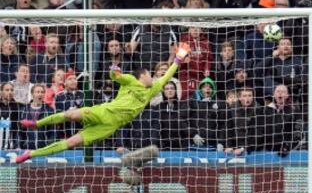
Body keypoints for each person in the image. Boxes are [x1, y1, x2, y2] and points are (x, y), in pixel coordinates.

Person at [15, 43, 191, 163]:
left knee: (72, 142)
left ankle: (30, 154)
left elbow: (168, 75)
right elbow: (116, 76)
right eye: (149, 75)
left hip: (111, 126)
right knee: (71, 114)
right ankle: (37, 123)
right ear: (142, 75)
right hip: (105, 111)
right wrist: (114, 71)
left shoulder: (152, 89)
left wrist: (179, 57)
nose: (154, 78)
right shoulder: (131, 80)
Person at [19, 84, 55, 149]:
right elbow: (19, 131)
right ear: (32, 94)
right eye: (37, 92)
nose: (40, 94)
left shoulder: (49, 110)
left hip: (44, 149)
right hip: (27, 149)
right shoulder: (23, 110)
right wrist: (19, 146)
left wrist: (50, 146)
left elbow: (53, 131)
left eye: (42, 92)